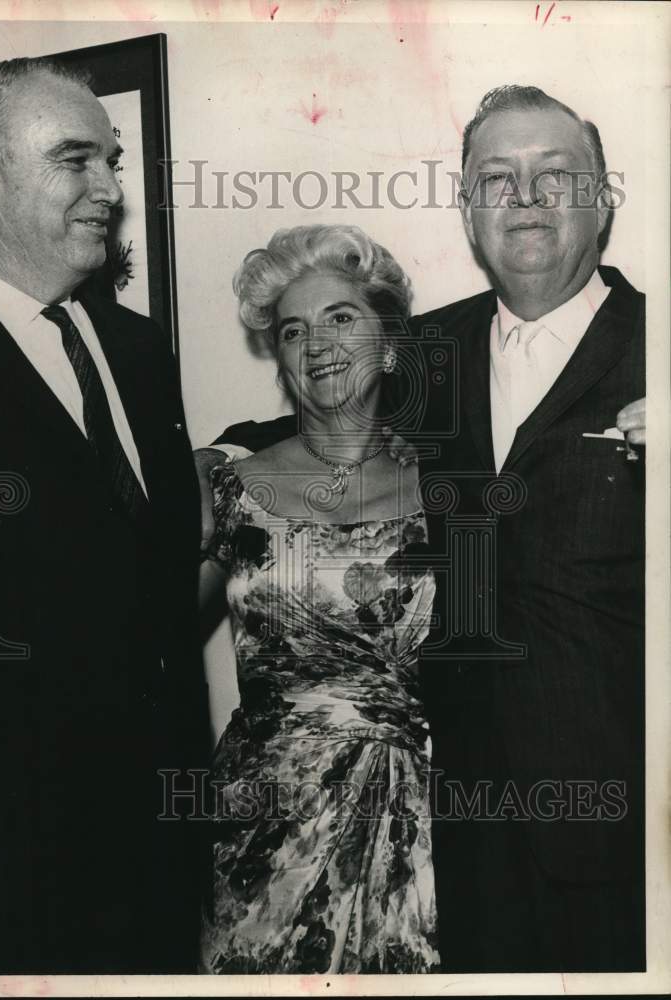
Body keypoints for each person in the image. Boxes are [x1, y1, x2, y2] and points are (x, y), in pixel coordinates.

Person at [196, 86, 646, 972]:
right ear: (467, 210)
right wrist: (212, 455)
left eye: (554, 174)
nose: (523, 197)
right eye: (494, 178)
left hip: (611, 822)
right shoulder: (428, 350)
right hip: (452, 830)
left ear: (603, 196)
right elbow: (328, 413)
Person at [0, 58, 208, 974]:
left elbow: (149, 579)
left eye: (111, 161)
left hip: (162, 835)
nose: (110, 189)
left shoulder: (138, 349)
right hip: (6, 858)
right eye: (77, 161)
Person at [198, 225, 440, 973]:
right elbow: (141, 640)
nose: (317, 343)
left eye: (341, 318)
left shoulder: (449, 487)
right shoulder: (226, 488)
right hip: (262, 825)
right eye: (293, 330)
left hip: (419, 824)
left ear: (390, 344)